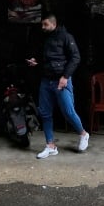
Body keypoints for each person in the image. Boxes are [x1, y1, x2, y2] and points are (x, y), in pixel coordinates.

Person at [26, 13, 89, 158]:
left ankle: (83, 133)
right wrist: (37, 62)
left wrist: (65, 77)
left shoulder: (66, 37)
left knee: (68, 111)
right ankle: (50, 146)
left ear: (53, 24)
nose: (43, 27)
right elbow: (48, 60)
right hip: (46, 81)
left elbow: (75, 57)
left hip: (61, 80)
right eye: (42, 24)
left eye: (45, 24)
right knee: (45, 113)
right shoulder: (45, 38)